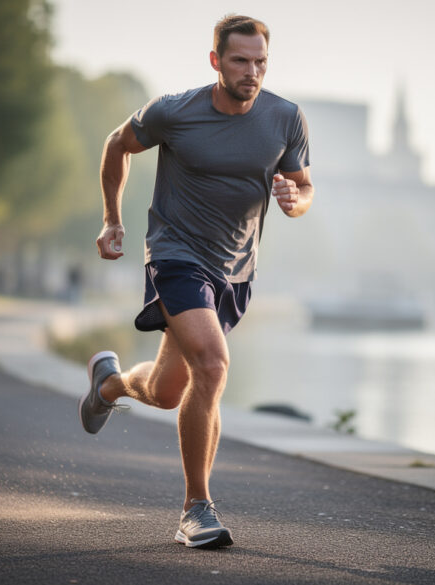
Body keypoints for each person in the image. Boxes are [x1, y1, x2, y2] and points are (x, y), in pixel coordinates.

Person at [78, 14, 314, 549]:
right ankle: (196, 509)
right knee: (213, 363)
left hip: (235, 270)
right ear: (216, 61)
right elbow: (117, 144)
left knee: (167, 391)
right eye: (240, 61)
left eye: (260, 62)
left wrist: (294, 201)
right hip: (176, 256)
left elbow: (303, 187)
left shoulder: (285, 118)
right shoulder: (175, 111)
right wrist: (112, 219)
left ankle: (109, 384)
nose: (251, 72)